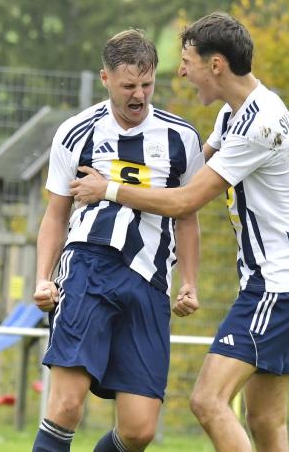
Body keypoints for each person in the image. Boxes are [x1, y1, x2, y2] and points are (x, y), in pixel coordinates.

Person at [71, 12, 289, 452]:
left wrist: (106, 188)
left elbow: (186, 199)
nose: (182, 72)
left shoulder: (257, 126)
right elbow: (182, 174)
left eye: (187, 61)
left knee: (208, 401)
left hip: (276, 285)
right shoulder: (236, 113)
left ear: (217, 65)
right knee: (265, 420)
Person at [31, 29, 203, 452]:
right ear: (105, 79)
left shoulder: (182, 138)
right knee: (66, 405)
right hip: (89, 267)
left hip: (150, 282)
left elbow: (187, 214)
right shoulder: (76, 132)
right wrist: (42, 278)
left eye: (147, 84)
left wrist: (190, 282)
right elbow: (56, 214)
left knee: (139, 430)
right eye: (129, 85)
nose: (139, 95)